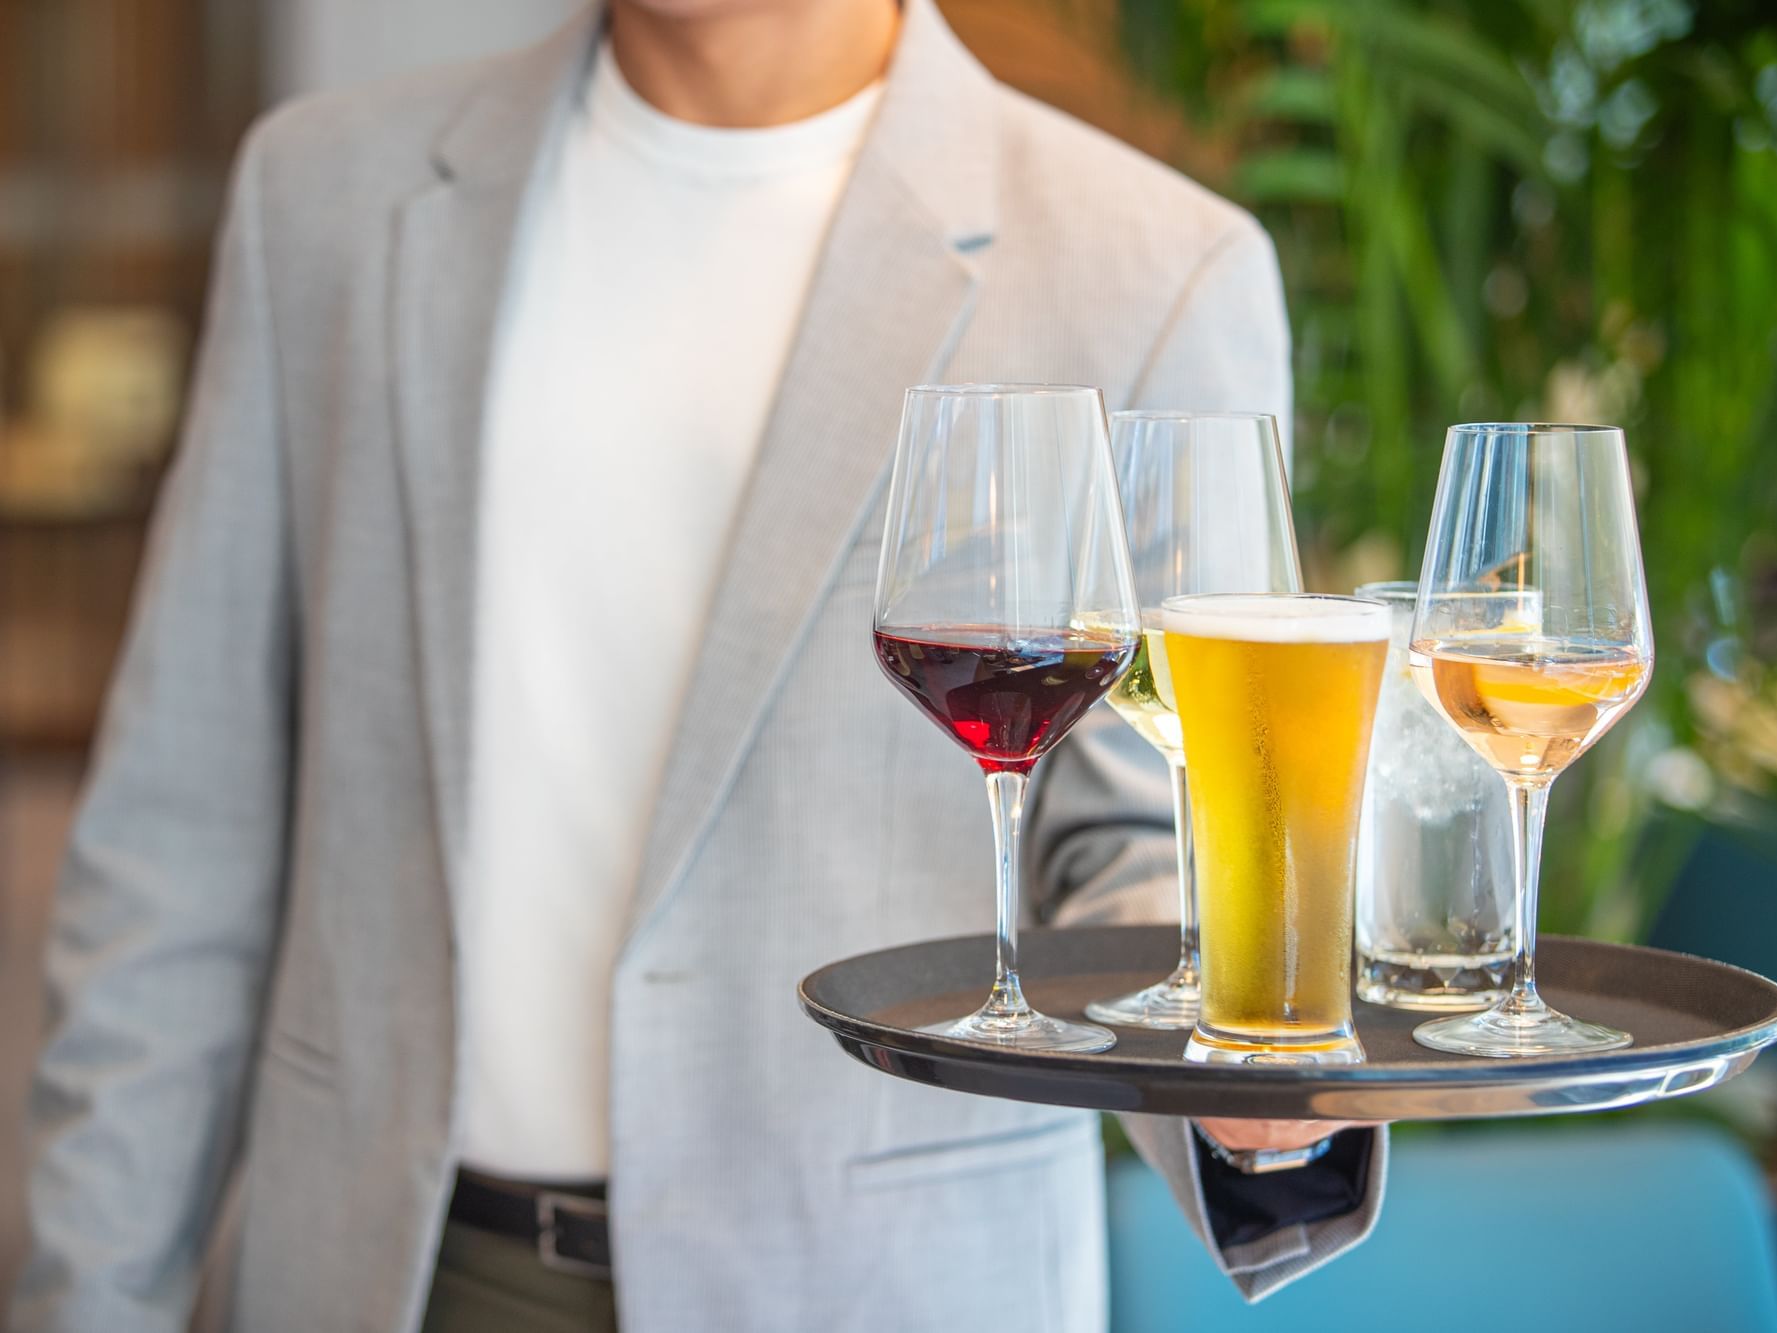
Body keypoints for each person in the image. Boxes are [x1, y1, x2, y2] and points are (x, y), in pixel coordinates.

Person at [11, 0, 1386, 1328]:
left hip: (870, 1282)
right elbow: (180, 841)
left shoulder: (1147, 265)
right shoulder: (323, 196)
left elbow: (1149, 823)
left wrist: (1245, 1064)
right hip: (389, 1273)